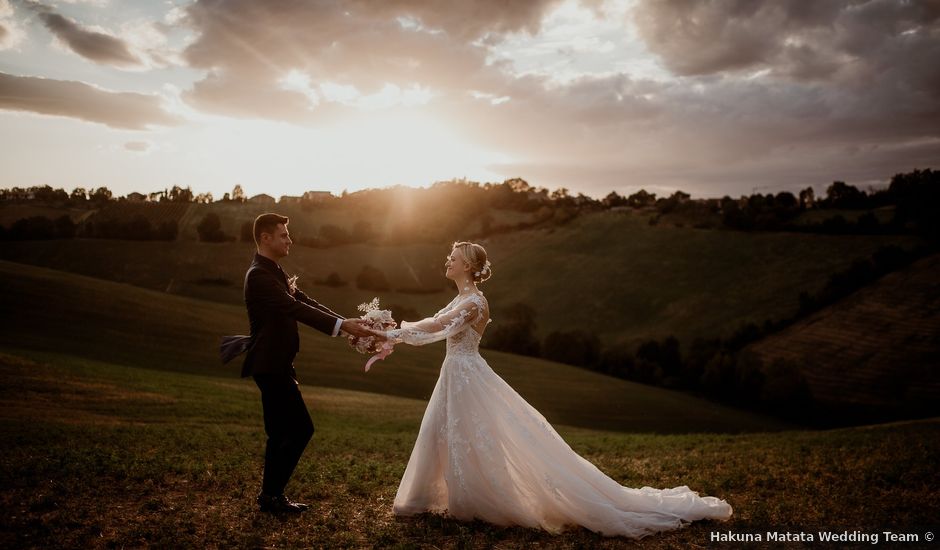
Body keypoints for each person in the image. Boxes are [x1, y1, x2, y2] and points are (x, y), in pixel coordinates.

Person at [381, 241, 732, 538]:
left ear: (469, 265)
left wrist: (392, 332)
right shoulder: (460, 299)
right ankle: (435, 497)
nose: (448, 261)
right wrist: (392, 333)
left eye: (453, 258)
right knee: (446, 432)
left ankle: (480, 500)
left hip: (467, 374)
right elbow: (435, 324)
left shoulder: (474, 303)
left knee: (472, 434)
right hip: (455, 372)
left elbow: (436, 326)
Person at [233, 213, 380, 514]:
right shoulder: (258, 275)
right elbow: (293, 307)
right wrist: (342, 326)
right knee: (301, 429)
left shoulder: (273, 271)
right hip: (270, 363)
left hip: (276, 362)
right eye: (284, 235)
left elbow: (307, 301)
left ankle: (269, 497)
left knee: (278, 432)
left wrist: (346, 322)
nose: (290, 240)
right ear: (265, 238)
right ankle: (272, 495)